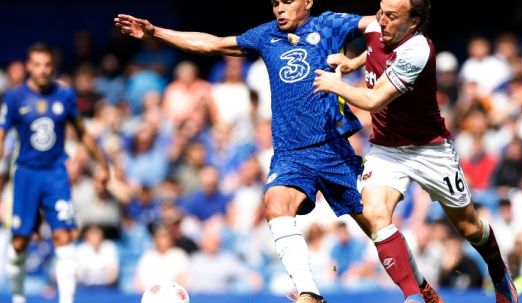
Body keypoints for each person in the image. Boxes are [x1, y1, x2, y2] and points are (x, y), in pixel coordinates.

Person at [115, 1, 440, 302]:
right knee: (275, 203)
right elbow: (212, 43)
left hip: (333, 150)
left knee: (376, 225)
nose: (280, 9)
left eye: (287, 1)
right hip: (290, 154)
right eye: (275, 3)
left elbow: (382, 23)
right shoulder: (265, 35)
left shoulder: (330, 24)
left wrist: (384, 45)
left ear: (307, 2)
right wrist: (155, 32)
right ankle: (309, 293)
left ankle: (422, 287)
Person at [313, 0, 518, 302]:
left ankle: (498, 270)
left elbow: (373, 101)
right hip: (386, 149)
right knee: (374, 215)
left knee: (469, 227)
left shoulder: (418, 50)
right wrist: (352, 63)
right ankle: (417, 294)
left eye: (391, 16)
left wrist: (335, 83)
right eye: (381, 11)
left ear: (413, 23)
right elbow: (374, 50)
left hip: (429, 150)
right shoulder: (377, 26)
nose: (381, 20)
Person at [0, 43, 109, 303]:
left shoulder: (65, 96)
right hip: (26, 174)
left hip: (56, 174)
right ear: (29, 66)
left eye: (47, 65)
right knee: (20, 241)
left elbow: (82, 131)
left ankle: (67, 299)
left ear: (53, 67)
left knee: (63, 234)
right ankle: (18, 296)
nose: (42, 70)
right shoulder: (15, 98)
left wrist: (103, 165)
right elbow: (2, 134)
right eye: (37, 64)